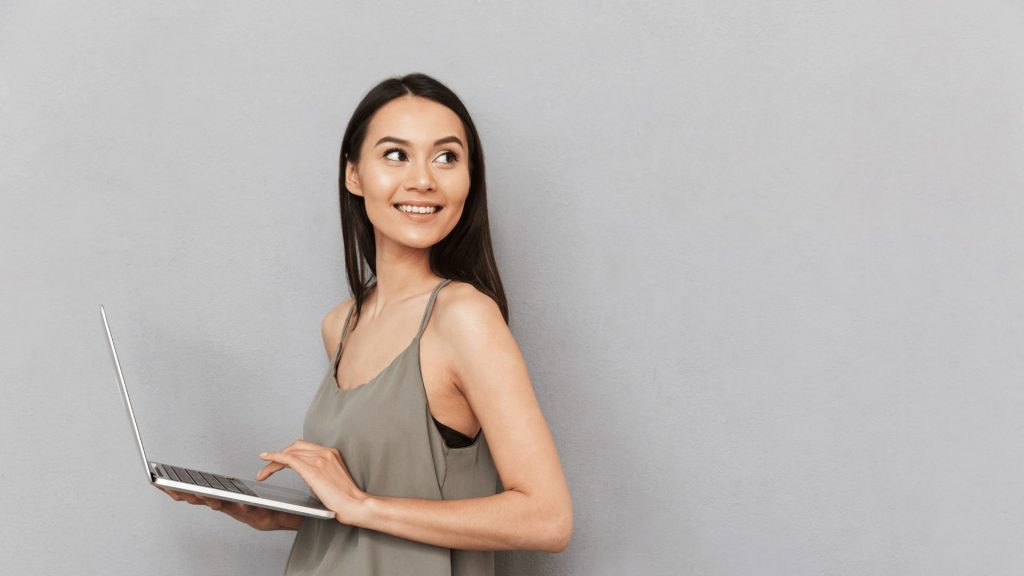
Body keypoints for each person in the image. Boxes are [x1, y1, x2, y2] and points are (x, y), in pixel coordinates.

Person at [160, 72, 573, 574]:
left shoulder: (464, 317)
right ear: (353, 175)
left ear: (470, 178)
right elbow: (387, 500)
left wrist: (360, 505)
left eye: (447, 157)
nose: (423, 178)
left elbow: (547, 519)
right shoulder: (341, 324)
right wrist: (295, 514)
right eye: (396, 154)